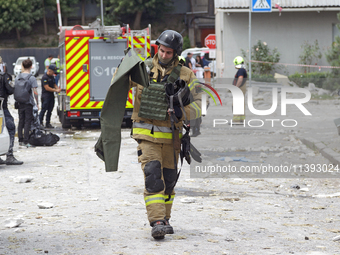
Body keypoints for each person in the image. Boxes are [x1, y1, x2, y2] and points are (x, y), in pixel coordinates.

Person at [129, 30, 201, 239]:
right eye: (161, 50)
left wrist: (182, 112)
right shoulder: (142, 69)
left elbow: (199, 105)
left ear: (176, 53)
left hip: (172, 139)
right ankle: (156, 221)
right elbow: (119, 84)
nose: (164, 55)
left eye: (169, 52)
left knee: (169, 181)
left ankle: (165, 218)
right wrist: (122, 70)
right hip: (147, 136)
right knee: (153, 178)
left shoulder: (186, 74)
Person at [0, 69, 23, 165]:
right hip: (1, 108)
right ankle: (9, 155)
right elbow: (10, 89)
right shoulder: (3, 76)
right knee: (10, 127)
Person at [15, 59, 39, 147]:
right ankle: (26, 140)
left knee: (21, 120)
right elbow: (35, 91)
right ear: (31, 66)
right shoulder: (31, 78)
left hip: (19, 102)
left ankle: (20, 139)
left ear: (22, 66)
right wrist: (37, 103)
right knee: (27, 121)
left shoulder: (18, 77)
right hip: (28, 102)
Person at [39, 64, 61, 128]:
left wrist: (57, 88)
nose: (54, 73)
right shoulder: (45, 77)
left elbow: (54, 84)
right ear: (49, 70)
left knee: (50, 110)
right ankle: (40, 122)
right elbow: (47, 88)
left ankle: (47, 123)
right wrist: (55, 90)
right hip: (45, 96)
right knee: (43, 109)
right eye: (53, 71)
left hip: (51, 95)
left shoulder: (52, 77)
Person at [232, 56, 247, 124]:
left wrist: (236, 87)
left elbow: (240, 79)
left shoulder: (241, 70)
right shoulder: (243, 69)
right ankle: (241, 120)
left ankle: (236, 120)